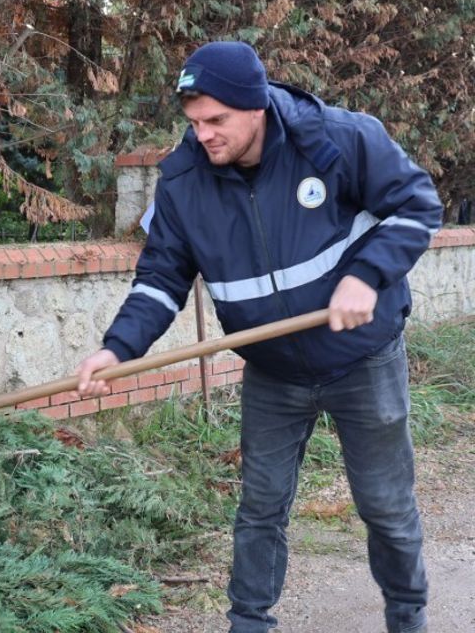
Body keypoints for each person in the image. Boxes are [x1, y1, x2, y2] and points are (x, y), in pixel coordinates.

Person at [75, 41, 441, 633]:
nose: (203, 135)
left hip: (362, 358)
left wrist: (367, 275)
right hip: (273, 372)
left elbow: (417, 206)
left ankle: (407, 618)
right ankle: (248, 624)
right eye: (194, 122)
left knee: (385, 506)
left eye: (216, 120)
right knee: (260, 509)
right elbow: (161, 278)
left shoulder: (339, 140)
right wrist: (117, 348)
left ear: (257, 106)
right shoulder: (184, 182)